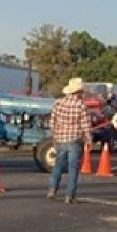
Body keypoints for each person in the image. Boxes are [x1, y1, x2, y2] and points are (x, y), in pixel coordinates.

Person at [47, 76, 94, 204]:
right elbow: (85, 125)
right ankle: (70, 195)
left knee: (58, 165)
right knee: (73, 168)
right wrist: (89, 140)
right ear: (79, 92)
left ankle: (52, 189)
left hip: (60, 139)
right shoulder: (81, 105)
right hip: (75, 140)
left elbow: (52, 122)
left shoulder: (58, 103)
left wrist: (54, 136)